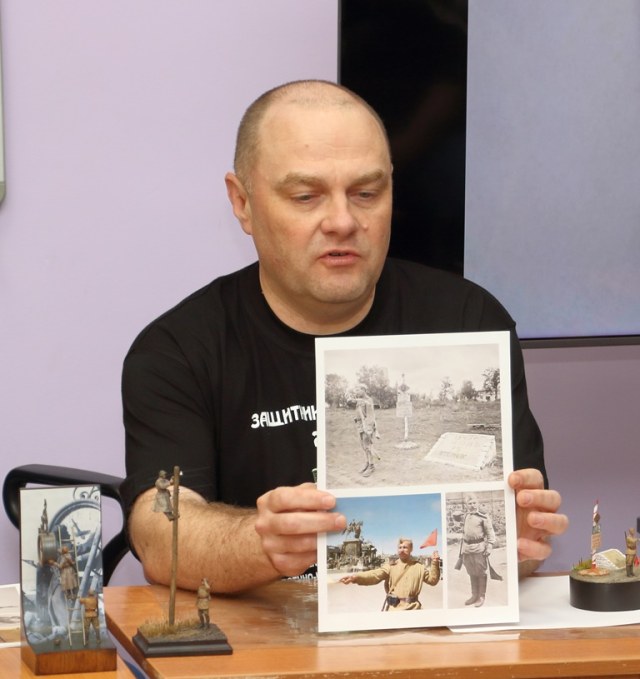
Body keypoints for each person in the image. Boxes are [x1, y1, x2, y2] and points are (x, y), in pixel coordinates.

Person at [121, 79, 568, 594]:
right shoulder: (178, 349)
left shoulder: (469, 319)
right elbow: (160, 535)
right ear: (242, 203)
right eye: (306, 196)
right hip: (259, 637)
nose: (342, 221)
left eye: (366, 194)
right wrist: (259, 542)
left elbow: (520, 539)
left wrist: (521, 541)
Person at [339, 538, 439, 611]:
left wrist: (435, 562)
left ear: (411, 549)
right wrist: (356, 577)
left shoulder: (419, 567)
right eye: (400, 547)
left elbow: (433, 580)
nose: (401, 550)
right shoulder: (391, 566)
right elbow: (375, 575)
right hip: (394, 609)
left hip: (414, 609)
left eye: (405, 547)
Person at [458, 494, 496, 608]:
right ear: (467, 505)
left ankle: (481, 596)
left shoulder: (483, 516)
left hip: (479, 548)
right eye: (470, 503)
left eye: (474, 503)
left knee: (480, 572)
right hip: (467, 549)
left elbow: (490, 533)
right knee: (471, 572)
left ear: (477, 503)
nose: (472, 505)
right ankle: (474, 595)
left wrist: (489, 546)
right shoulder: (466, 516)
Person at [353, 384, 379, 477]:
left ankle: (372, 466)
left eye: (358, 390)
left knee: (368, 446)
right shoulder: (359, 400)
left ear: (364, 390)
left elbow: (370, 416)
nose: (356, 392)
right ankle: (367, 463)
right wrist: (356, 418)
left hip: (366, 426)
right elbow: (360, 412)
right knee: (364, 447)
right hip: (359, 425)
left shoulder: (368, 400)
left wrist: (368, 429)